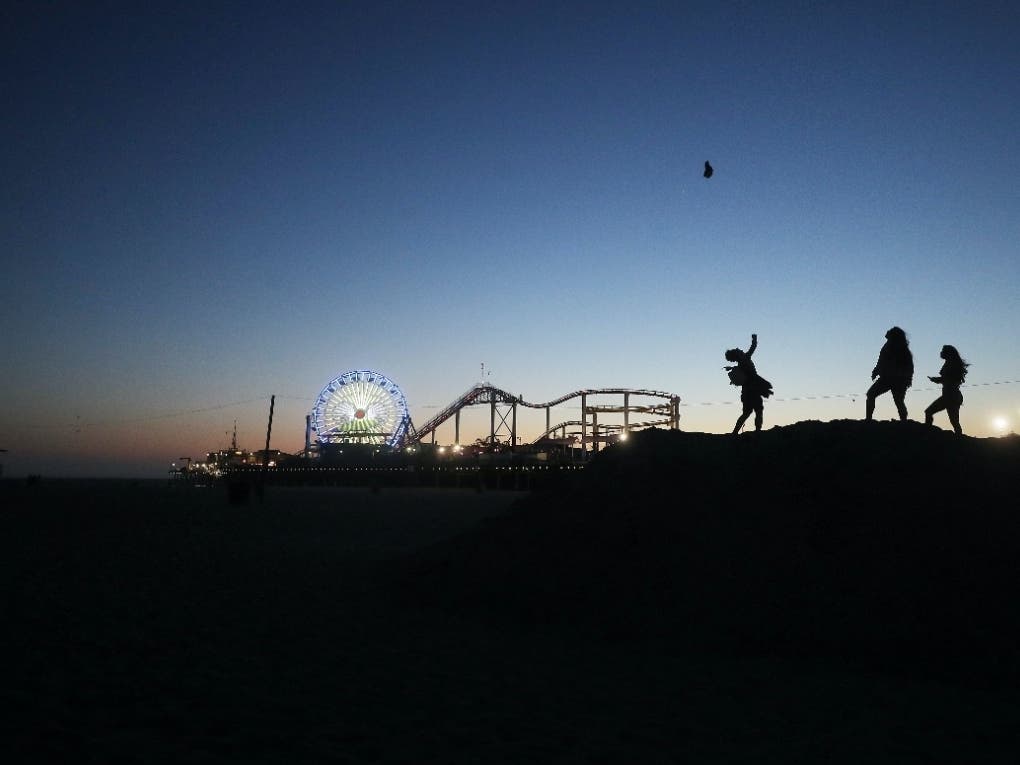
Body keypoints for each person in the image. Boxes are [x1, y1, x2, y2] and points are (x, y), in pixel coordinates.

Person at [724, 333, 773, 434]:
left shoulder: (740, 364)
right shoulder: (745, 358)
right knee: (757, 410)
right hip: (753, 389)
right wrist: (754, 339)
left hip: (747, 391)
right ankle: (757, 431)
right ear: (737, 355)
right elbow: (753, 348)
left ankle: (735, 432)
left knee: (747, 412)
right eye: (739, 351)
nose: (741, 350)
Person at [866, 326, 913, 421]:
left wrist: (908, 379)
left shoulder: (902, 350)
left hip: (898, 379)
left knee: (898, 401)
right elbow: (881, 361)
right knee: (871, 394)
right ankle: (868, 419)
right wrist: (876, 370)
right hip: (887, 378)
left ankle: (904, 421)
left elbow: (909, 366)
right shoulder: (888, 346)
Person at [924, 345, 969, 435]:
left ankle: (927, 434)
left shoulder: (951, 364)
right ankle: (959, 439)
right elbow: (947, 379)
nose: (941, 352)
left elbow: (949, 379)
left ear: (948, 353)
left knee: (930, 412)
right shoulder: (950, 363)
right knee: (954, 421)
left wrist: (937, 380)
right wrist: (937, 379)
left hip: (951, 396)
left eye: (943, 351)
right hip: (951, 395)